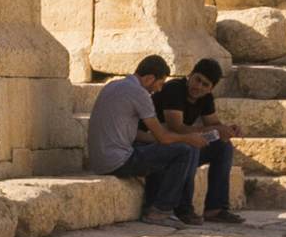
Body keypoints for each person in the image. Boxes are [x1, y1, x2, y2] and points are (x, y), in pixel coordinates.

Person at [82, 54, 209, 220]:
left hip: (100, 161)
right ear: (149, 78)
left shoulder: (113, 85)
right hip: (117, 161)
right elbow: (163, 137)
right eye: (160, 84)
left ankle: (151, 206)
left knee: (162, 152)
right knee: (184, 151)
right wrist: (188, 138)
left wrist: (164, 141)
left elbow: (138, 134)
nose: (159, 90)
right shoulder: (139, 93)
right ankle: (162, 210)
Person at [154, 58, 244, 218]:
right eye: (197, 80)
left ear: (211, 89)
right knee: (191, 147)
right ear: (190, 75)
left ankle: (215, 208)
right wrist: (215, 129)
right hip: (161, 144)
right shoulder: (174, 89)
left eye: (205, 85)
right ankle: (183, 208)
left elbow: (213, 123)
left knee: (223, 146)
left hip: (181, 143)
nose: (198, 87)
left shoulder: (205, 98)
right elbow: (177, 128)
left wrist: (226, 129)